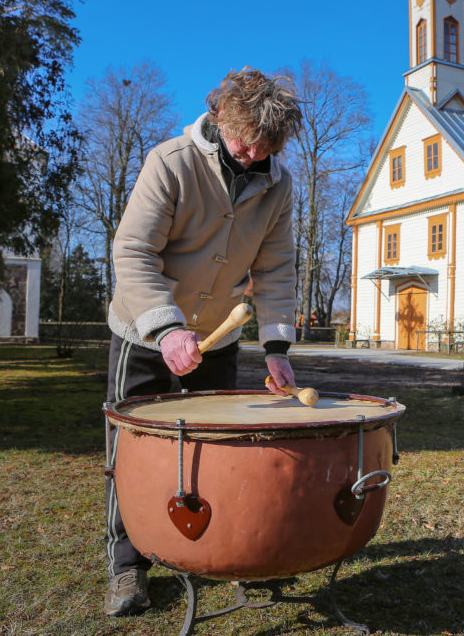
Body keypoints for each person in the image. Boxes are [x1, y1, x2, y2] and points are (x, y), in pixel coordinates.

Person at [102, 68, 303, 617]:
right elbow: (134, 254)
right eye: (244, 141)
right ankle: (127, 568)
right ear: (222, 117)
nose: (250, 155)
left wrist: (277, 350)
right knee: (132, 453)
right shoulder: (169, 162)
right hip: (143, 332)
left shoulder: (279, 185)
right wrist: (166, 329)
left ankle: (219, 552)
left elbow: (278, 268)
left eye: (265, 147)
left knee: (216, 454)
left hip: (216, 340)